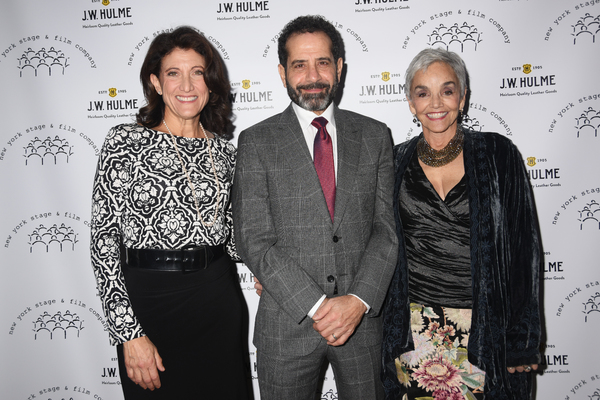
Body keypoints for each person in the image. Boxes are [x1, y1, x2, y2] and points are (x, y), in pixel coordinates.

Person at [232, 15, 398, 400]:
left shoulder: (375, 135)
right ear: (281, 72)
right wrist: (318, 305)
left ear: (339, 67)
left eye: (323, 62)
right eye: (299, 65)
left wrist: (357, 302)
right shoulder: (256, 141)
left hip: (362, 325)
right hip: (286, 325)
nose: (312, 75)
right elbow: (253, 239)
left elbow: (386, 231)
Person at [90, 26, 251, 400]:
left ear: (210, 82)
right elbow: (103, 243)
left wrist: (265, 267)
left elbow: (231, 238)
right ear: (156, 83)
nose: (187, 84)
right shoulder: (124, 141)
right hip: (150, 305)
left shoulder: (225, 152)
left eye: (197, 72)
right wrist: (128, 333)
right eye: (173, 73)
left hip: (216, 301)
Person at [381, 48, 542, 399]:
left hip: (485, 332)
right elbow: (362, 237)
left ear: (463, 97)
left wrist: (522, 340)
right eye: (423, 92)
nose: (436, 103)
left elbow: (523, 249)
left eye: (448, 90)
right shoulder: (392, 163)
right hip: (415, 330)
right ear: (411, 102)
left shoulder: (499, 155)